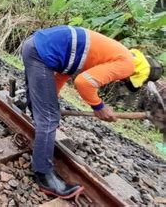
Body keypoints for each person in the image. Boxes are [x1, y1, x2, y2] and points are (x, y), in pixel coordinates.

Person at [21, 25, 163, 199]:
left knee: (47, 109)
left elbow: (65, 71)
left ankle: (40, 131)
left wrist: (52, 98)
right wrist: (99, 107)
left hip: (36, 45)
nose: (124, 80)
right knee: (50, 118)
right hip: (41, 53)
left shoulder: (116, 53)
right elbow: (84, 83)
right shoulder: (127, 65)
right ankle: (44, 175)